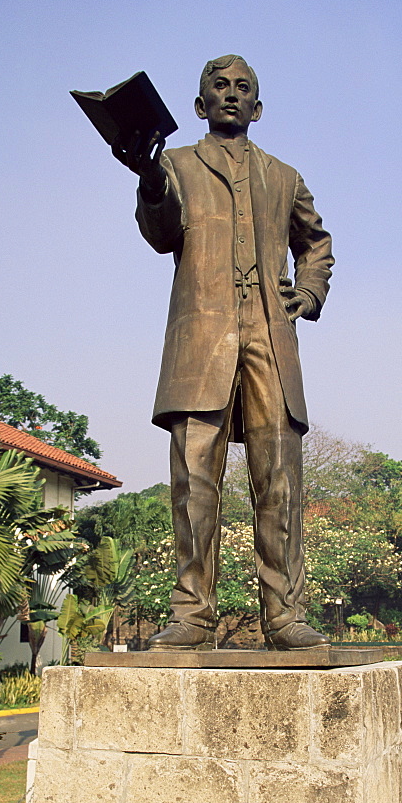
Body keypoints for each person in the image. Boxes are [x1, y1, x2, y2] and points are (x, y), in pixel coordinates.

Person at [112, 55, 334, 650]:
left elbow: (316, 243)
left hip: (270, 337)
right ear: (198, 105)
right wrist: (149, 178)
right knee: (193, 482)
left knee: (280, 481)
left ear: (257, 108)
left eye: (243, 89)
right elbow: (161, 235)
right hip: (200, 340)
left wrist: (308, 291)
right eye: (219, 86)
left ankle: (284, 615)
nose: (230, 95)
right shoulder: (175, 166)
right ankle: (192, 615)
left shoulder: (285, 176)